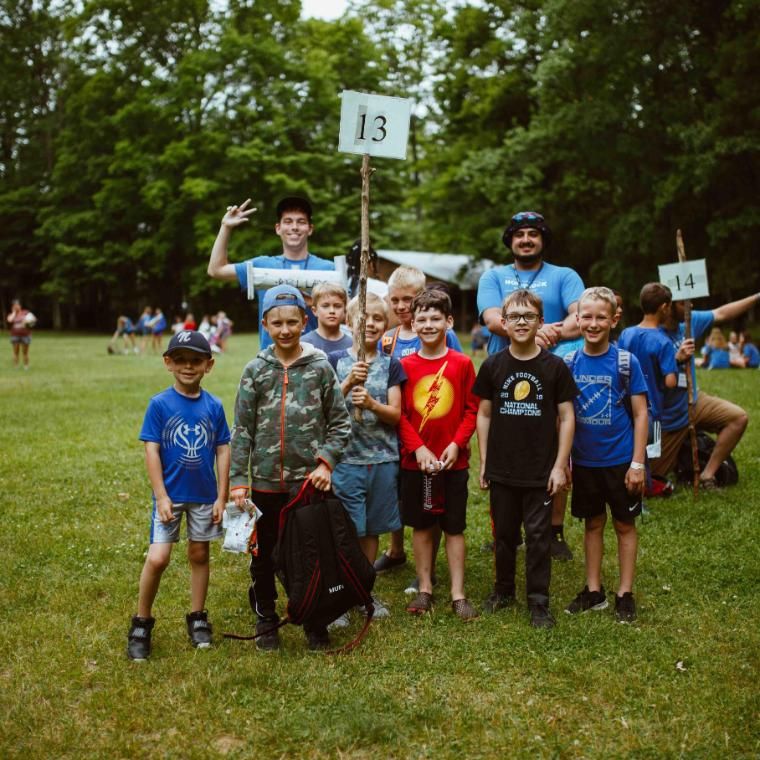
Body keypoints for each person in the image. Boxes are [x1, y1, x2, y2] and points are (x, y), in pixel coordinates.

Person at [229, 284, 352, 651]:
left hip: (307, 485)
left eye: (292, 322)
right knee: (264, 555)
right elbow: (242, 431)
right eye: (277, 323)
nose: (285, 330)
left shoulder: (319, 368)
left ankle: (315, 616)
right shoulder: (255, 371)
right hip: (265, 485)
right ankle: (266, 615)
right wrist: (239, 480)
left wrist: (326, 462)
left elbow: (340, 424)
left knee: (309, 554)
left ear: (305, 320)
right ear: (265, 323)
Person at [477, 210, 585, 561]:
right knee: (503, 443)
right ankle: (503, 531)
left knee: (554, 446)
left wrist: (543, 333)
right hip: (504, 368)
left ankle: (553, 530)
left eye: (533, 234)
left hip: (549, 370)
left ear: (543, 240)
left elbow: (580, 316)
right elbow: (493, 319)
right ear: (510, 240)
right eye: (519, 233)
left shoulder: (564, 275)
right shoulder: (493, 276)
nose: (526, 239)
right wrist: (531, 330)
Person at [473, 290, 577, 629]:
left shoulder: (554, 367)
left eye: (528, 316)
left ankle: (538, 601)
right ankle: (503, 591)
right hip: (502, 468)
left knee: (538, 537)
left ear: (540, 322)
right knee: (504, 535)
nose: (521, 322)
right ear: (502, 323)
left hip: (541, 470)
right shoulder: (493, 365)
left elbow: (566, 417)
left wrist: (560, 465)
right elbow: (484, 414)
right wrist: (485, 461)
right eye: (514, 317)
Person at [127, 330, 231, 661]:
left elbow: (223, 449)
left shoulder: (213, 406)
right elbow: (152, 451)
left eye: (196, 361)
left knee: (199, 554)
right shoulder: (159, 405)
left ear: (208, 365)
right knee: (158, 558)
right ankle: (142, 622)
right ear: (168, 363)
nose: (189, 366)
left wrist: (222, 496)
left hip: (204, 496)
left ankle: (198, 617)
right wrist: (160, 496)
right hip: (169, 497)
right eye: (181, 360)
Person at [563, 287, 648, 623]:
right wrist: (565, 461)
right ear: (577, 319)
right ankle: (594, 589)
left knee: (624, 525)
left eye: (601, 317)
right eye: (587, 316)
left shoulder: (627, 362)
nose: (593, 323)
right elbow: (563, 417)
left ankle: (625, 593)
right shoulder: (569, 362)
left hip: (620, 462)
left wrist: (637, 463)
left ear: (614, 319)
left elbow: (641, 414)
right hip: (584, 462)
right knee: (593, 523)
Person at [374, 266, 462, 587]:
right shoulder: (387, 339)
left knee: (430, 498)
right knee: (397, 494)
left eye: (407, 300)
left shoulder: (442, 333)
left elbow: (456, 376)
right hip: (395, 432)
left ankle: (429, 567)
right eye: (394, 300)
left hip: (431, 433)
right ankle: (396, 549)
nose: (400, 307)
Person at [398, 288, 479, 620]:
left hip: (452, 462)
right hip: (416, 465)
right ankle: (425, 587)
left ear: (448, 321)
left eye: (435, 318)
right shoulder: (402, 366)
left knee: (454, 527)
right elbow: (399, 414)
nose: (428, 324)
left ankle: (458, 593)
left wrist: (456, 443)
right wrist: (418, 448)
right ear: (412, 323)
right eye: (422, 319)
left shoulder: (461, 364)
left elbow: (472, 409)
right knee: (421, 525)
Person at [327, 293, 406, 626]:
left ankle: (362, 591)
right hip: (346, 462)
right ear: (349, 322)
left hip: (382, 461)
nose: (370, 324)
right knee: (346, 532)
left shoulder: (392, 365)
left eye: (377, 318)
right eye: (363, 318)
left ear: (385, 324)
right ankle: (340, 597)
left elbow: (397, 415)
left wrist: (372, 404)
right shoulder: (333, 360)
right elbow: (324, 409)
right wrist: (347, 384)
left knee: (371, 530)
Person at [653, 292, 759, 489]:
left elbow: (722, 313)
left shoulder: (688, 325)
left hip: (694, 401)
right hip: (668, 416)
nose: (691, 305)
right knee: (653, 476)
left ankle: (707, 474)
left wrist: (756, 297)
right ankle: (679, 454)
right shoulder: (651, 335)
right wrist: (675, 358)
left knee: (738, 418)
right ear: (666, 307)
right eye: (684, 303)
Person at [207, 196, 334, 349]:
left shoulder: (330, 269)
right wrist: (226, 227)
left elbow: (346, 314)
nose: (294, 227)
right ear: (278, 228)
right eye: (288, 221)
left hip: (316, 360)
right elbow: (216, 270)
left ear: (310, 229)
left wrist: (315, 302)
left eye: (301, 222)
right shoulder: (262, 265)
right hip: (271, 363)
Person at [618, 283, 678, 457]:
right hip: (651, 409)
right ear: (664, 307)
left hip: (625, 406)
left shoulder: (626, 334)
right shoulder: (663, 341)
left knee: (628, 453)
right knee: (648, 457)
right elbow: (671, 382)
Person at [301, 282, 353, 354]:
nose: (332, 311)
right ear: (314, 311)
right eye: (325, 306)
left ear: (344, 310)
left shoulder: (353, 345)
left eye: (337, 306)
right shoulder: (303, 343)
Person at [7, 299, 34, 369]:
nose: (16, 307)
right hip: (15, 335)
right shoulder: (11, 314)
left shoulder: (26, 312)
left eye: (17, 305)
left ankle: (26, 366)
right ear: (12, 307)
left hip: (25, 335)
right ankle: (16, 366)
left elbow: (33, 319)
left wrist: (27, 321)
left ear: (20, 306)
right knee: (16, 352)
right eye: (14, 306)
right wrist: (13, 312)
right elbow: (9, 320)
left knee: (25, 352)